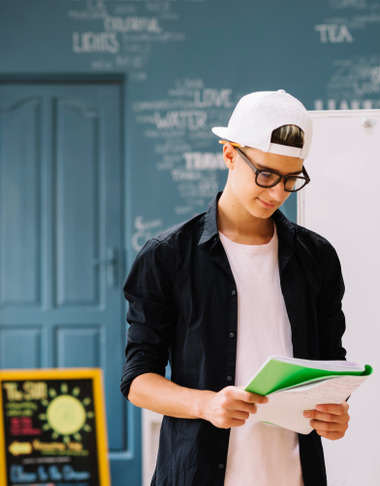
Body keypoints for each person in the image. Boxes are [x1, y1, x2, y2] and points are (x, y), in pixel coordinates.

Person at [120, 89, 350, 486]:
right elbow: (138, 379)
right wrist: (206, 404)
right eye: (266, 175)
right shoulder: (168, 255)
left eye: (291, 179)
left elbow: (332, 366)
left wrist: (335, 411)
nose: (277, 193)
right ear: (229, 154)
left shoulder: (317, 257)